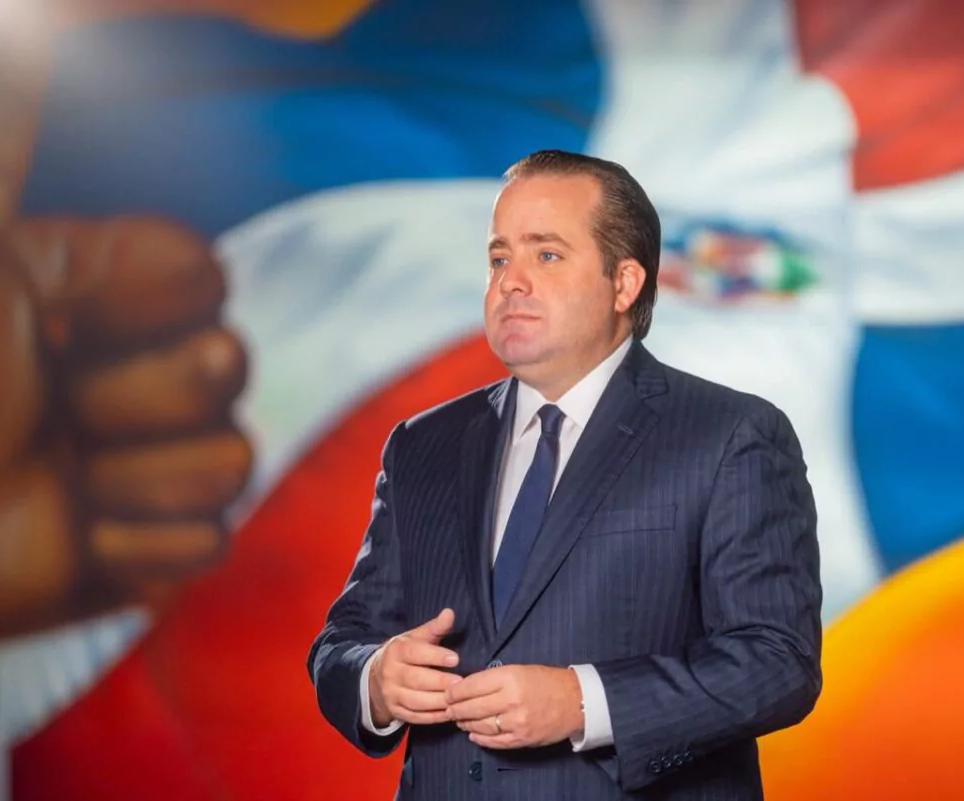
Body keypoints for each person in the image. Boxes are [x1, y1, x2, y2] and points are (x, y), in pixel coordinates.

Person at [307, 149, 823, 800]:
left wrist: (585, 702)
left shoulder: (731, 434)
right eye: (499, 259)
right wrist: (375, 680)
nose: (510, 283)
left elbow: (777, 661)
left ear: (624, 283)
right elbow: (344, 640)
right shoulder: (421, 445)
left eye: (546, 254)